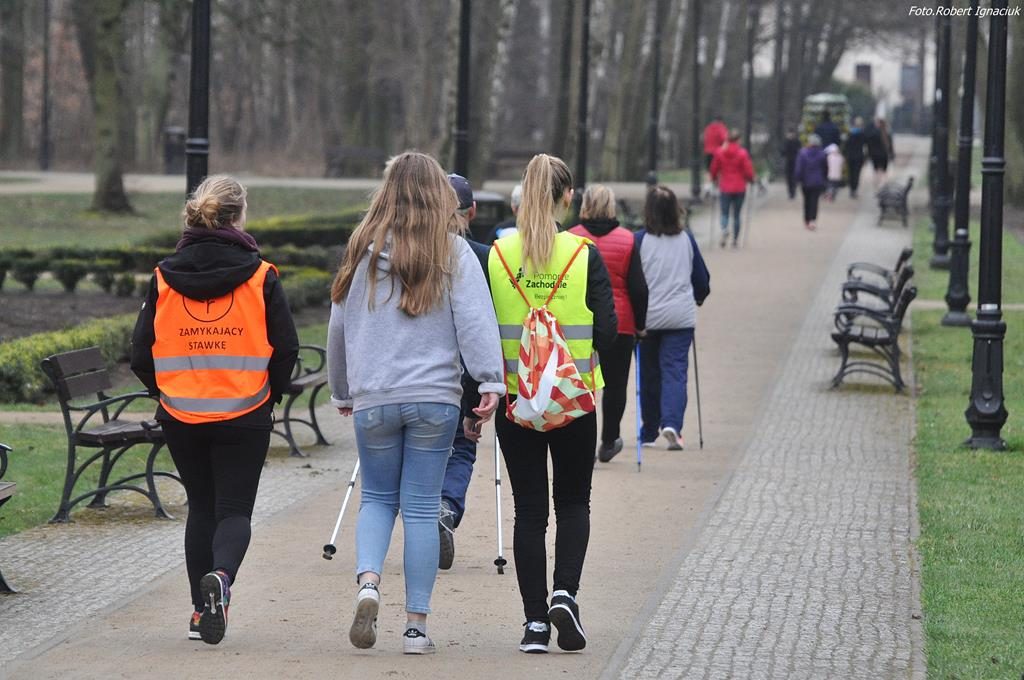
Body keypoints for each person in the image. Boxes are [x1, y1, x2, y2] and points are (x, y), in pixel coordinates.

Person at [328, 152, 505, 655]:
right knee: (423, 509)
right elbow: (475, 320)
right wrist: (490, 380)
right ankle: (415, 628)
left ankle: (368, 582)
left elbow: (339, 323)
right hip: (435, 398)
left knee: (377, 499)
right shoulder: (452, 250)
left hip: (375, 396)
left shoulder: (361, 248)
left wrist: (342, 389)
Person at [130, 175, 299, 645]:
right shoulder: (261, 276)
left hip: (181, 414)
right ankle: (221, 580)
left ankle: (198, 613)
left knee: (201, 507)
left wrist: (165, 392)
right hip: (246, 411)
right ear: (239, 216)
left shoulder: (163, 276)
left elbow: (140, 352)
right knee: (234, 510)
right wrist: (271, 394)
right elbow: (286, 347)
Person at [488, 153, 616, 654]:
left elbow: (479, 332)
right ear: (568, 198)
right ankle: (565, 593)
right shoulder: (584, 254)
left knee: (529, 511)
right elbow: (608, 331)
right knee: (574, 502)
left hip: (516, 401)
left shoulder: (498, 255)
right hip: (574, 400)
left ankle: (535, 624)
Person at [568, 185, 648, 462]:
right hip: (620, 321)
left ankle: (581, 441)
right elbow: (638, 288)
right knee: (615, 385)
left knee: (581, 382)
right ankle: (609, 440)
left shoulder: (571, 238)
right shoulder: (628, 240)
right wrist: (640, 324)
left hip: (578, 321)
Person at [437, 172, 492, 571]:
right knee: (461, 446)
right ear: (471, 211)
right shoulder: (485, 257)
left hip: (418, 375)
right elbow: (483, 326)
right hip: (464, 373)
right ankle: (446, 505)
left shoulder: (410, 251)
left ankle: (424, 512)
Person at [635, 186, 710, 452]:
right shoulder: (686, 239)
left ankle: (648, 430)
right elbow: (701, 279)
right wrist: (698, 297)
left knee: (648, 375)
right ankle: (672, 425)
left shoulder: (639, 240)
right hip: (680, 318)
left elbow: (634, 281)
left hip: (647, 319)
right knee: (675, 372)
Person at [709, 129, 755, 248]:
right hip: (739, 187)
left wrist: (713, 178)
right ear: (738, 140)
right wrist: (751, 179)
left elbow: (714, 168)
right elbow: (748, 169)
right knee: (737, 214)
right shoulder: (742, 153)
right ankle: (735, 240)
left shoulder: (720, 152)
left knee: (724, 212)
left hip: (725, 186)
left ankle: (724, 229)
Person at [794, 134, 828, 231]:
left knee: (807, 201)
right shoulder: (822, 154)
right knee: (814, 201)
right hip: (817, 181)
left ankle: (807, 220)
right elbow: (825, 168)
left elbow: (799, 168)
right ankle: (813, 220)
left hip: (805, 181)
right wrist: (824, 178)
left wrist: (797, 179)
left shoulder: (802, 153)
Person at [865, 117, 892, 187]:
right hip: (884, 155)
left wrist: (869, 154)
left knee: (876, 170)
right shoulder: (887, 133)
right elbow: (890, 146)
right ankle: (883, 183)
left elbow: (869, 144)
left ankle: (876, 183)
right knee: (884, 170)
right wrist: (891, 154)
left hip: (875, 154)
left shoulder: (873, 133)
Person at [844, 117, 867, 198]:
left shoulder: (850, 134)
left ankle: (851, 189)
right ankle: (854, 189)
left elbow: (846, 145)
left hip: (850, 156)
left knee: (851, 174)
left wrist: (845, 155)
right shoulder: (862, 134)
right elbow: (865, 146)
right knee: (856, 174)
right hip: (858, 156)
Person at [782, 128, 802, 200]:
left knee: (794, 178)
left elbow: (800, 151)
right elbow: (783, 152)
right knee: (789, 178)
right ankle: (790, 192)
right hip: (788, 162)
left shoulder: (797, 142)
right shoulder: (786, 142)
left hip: (795, 161)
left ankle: (793, 192)